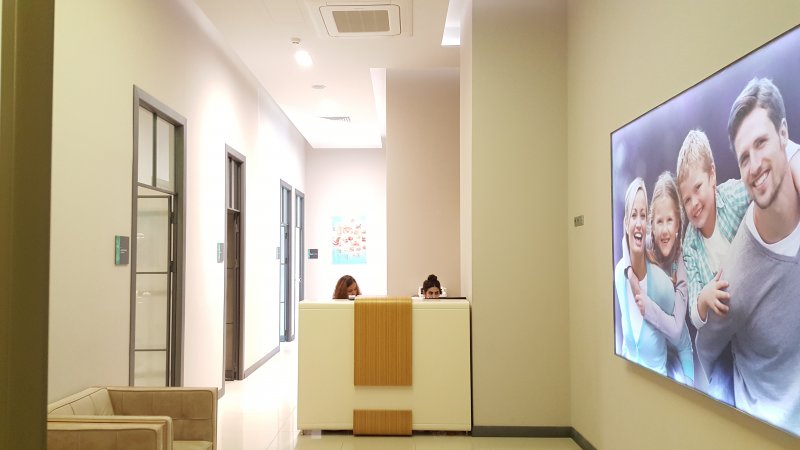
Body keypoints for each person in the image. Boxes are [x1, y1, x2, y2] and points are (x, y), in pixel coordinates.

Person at [697, 78, 800, 434]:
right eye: (744, 158)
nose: (754, 165)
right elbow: (706, 353)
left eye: (761, 143)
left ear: (783, 134)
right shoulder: (735, 280)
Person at [627, 172, 694, 384]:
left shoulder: (681, 263)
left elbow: (676, 330)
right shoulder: (646, 245)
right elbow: (626, 246)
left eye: (670, 221)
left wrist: (648, 307)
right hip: (657, 344)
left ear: (678, 225)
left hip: (680, 350)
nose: (664, 230)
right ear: (652, 227)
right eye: (659, 222)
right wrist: (630, 274)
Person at [614, 178, 683, 376]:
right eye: (633, 215)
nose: (638, 223)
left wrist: (685, 377)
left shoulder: (667, 279)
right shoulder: (620, 273)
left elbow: (679, 336)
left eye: (643, 216)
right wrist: (629, 273)